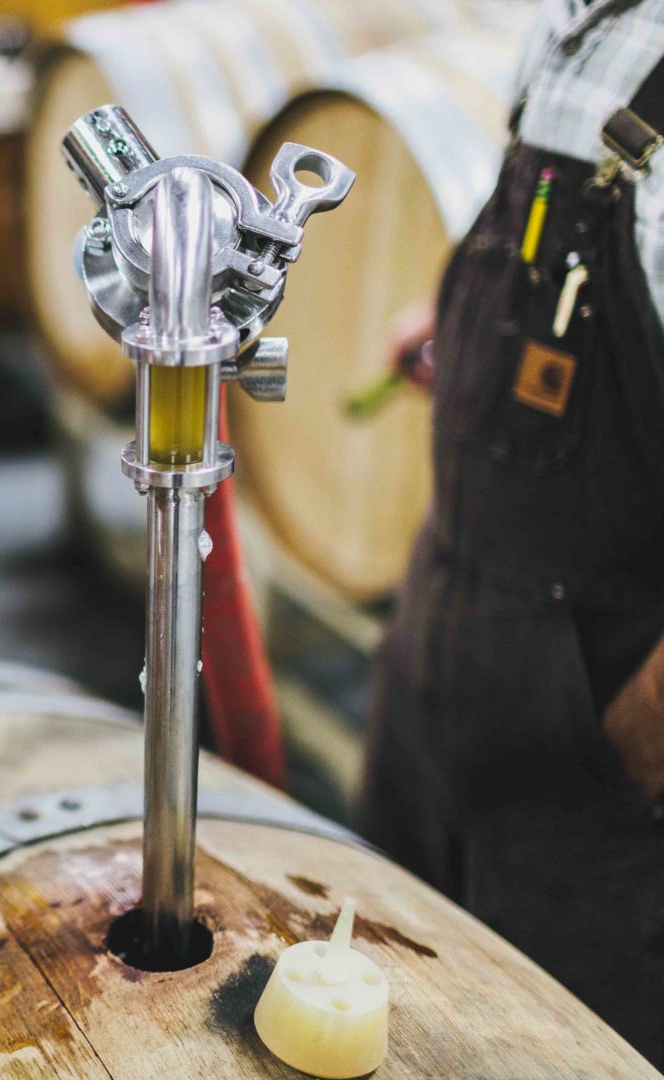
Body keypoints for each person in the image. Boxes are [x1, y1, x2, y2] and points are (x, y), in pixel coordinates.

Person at [358, 2, 664, 1065]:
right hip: (443, 663)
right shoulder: (579, 24)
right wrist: (476, 337)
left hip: (588, 761)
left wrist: (633, 731)